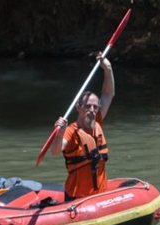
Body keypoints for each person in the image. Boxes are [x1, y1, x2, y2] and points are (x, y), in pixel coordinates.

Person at [49, 56, 115, 200]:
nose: (91, 110)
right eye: (87, 106)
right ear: (79, 107)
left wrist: (107, 69)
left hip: (100, 197)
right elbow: (55, 151)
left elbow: (108, 94)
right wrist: (59, 133)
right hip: (77, 199)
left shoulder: (97, 121)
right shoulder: (71, 131)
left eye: (95, 107)